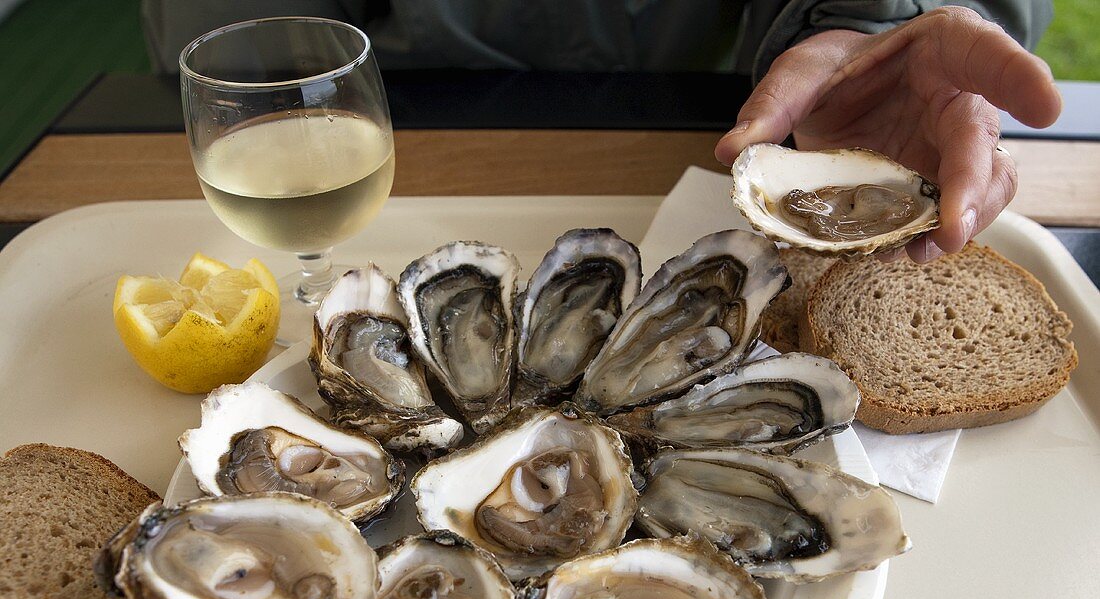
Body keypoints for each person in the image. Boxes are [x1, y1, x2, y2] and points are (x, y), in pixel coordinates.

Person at [143, 1, 1062, 262]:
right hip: (382, 118)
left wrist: (866, 22)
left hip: (723, 126)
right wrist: (283, 75)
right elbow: (220, 27)